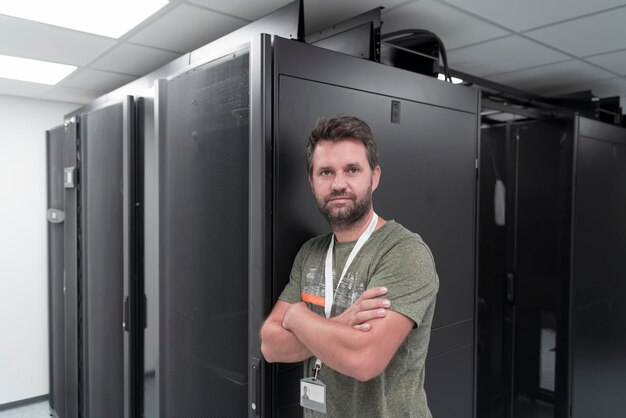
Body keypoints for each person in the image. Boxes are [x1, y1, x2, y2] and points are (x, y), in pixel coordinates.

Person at [260, 116, 439, 417]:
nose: (338, 183)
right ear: (311, 182)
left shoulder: (404, 252)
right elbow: (269, 344)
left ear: (374, 176)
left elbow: (363, 358)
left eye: (352, 170)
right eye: (326, 172)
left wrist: (296, 314)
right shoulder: (310, 253)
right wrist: (342, 326)